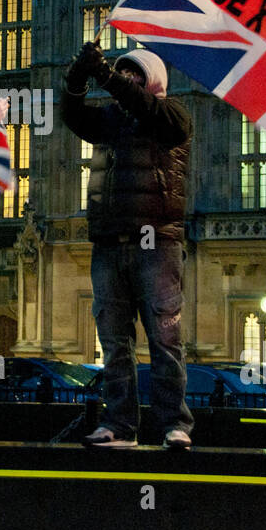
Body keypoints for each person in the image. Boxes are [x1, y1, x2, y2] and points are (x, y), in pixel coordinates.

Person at [62, 42, 195, 449]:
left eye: (134, 73)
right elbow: (72, 115)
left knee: (164, 338)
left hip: (157, 243)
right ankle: (119, 425)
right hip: (108, 242)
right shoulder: (109, 122)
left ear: (152, 80)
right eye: (122, 73)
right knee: (114, 342)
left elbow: (145, 107)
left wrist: (104, 75)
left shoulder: (171, 116)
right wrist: (76, 78)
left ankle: (175, 424)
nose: (126, 80)